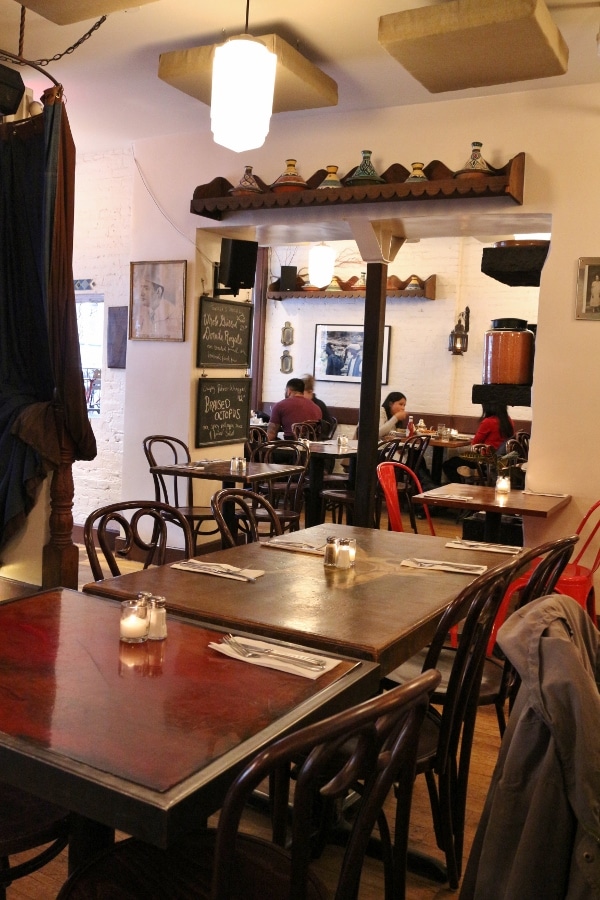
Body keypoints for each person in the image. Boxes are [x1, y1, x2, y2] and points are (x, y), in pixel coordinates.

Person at [442, 402, 515, 483]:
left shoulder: (488, 422)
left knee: (448, 464)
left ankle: (459, 487)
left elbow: (475, 444)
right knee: (455, 461)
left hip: (485, 463)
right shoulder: (509, 421)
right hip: (501, 462)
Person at [132, 265, 182, 340]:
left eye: (146, 288)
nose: (141, 293)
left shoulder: (172, 313)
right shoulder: (144, 311)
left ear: (158, 291)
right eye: (141, 288)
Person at [301, 374, 334, 438]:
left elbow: (327, 426)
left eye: (302, 393)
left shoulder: (318, 405)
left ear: (310, 392)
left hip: (316, 438)